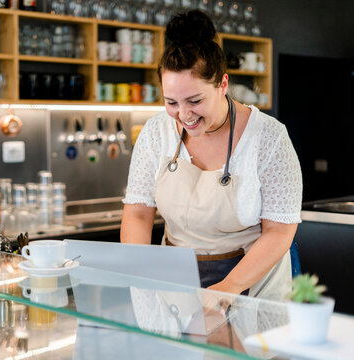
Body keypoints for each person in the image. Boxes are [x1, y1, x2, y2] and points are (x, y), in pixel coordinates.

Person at [120, 10, 302, 301]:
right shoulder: (156, 132)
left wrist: (227, 289)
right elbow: (139, 214)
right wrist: (139, 275)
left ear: (223, 85)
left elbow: (280, 232)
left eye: (195, 101)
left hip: (252, 288)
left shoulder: (269, 137)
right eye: (171, 102)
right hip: (176, 288)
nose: (183, 115)